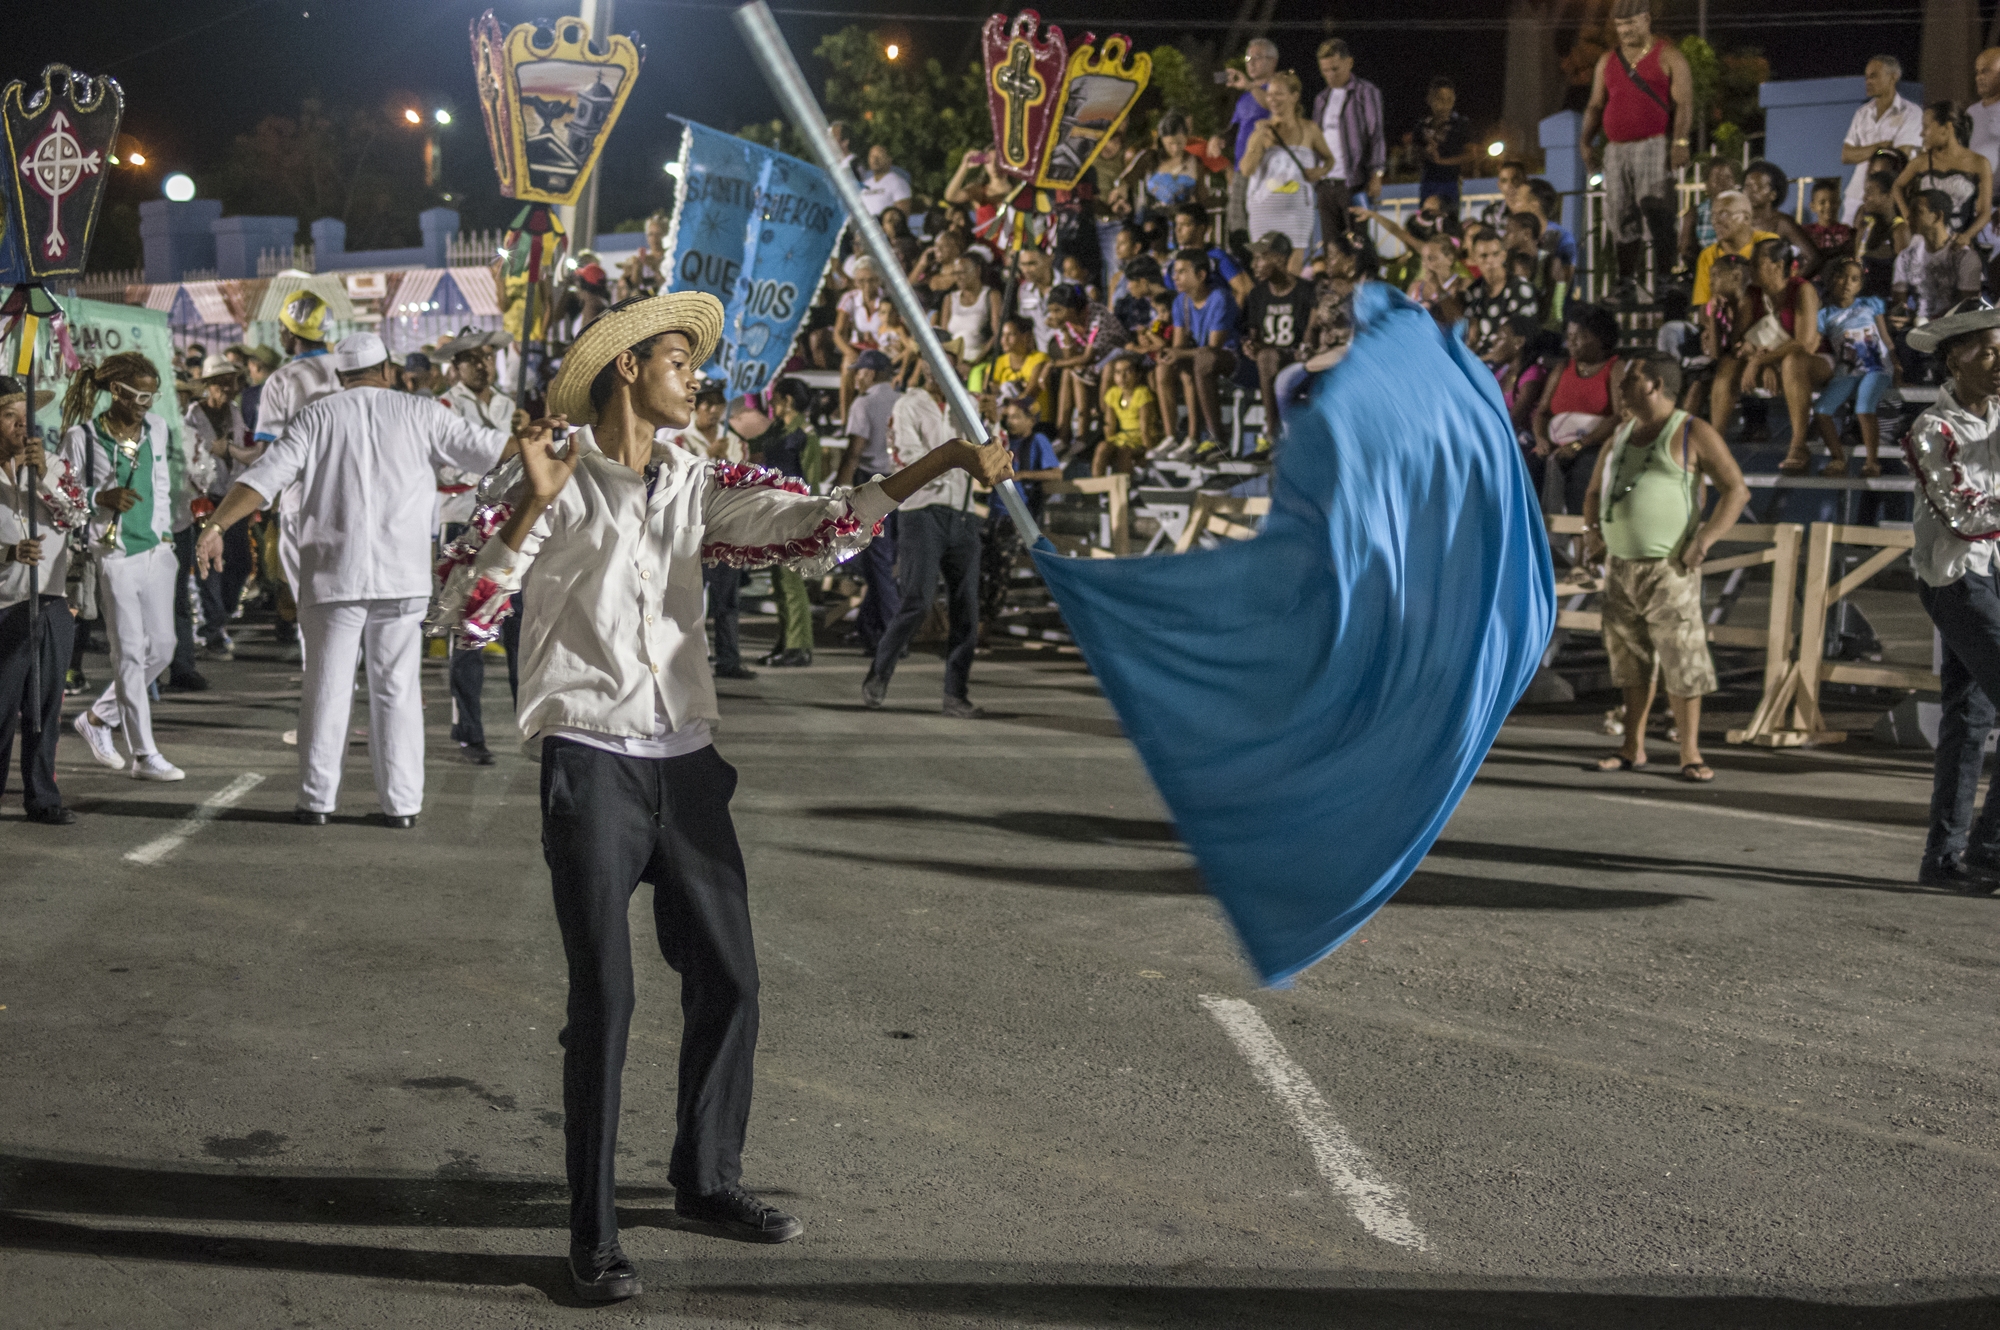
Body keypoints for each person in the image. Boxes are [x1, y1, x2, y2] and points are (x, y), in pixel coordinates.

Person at [427, 291, 1012, 1300]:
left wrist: (946, 463)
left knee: (732, 981)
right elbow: (463, 615)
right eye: (676, 359)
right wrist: (528, 500)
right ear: (626, 368)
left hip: (686, 760)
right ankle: (592, 1233)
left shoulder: (698, 475)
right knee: (604, 999)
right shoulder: (551, 472)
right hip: (591, 757)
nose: (695, 375)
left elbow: (818, 528)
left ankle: (704, 1180)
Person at [195, 332, 511, 825]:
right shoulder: (420, 412)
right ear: (386, 370)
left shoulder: (317, 416)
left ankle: (316, 801)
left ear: (340, 377)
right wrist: (550, 437)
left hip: (332, 576)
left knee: (326, 685)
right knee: (397, 689)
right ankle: (401, 805)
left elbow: (261, 480)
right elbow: (492, 450)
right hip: (401, 577)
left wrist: (216, 525)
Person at [1583, 352, 1750, 784]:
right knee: (1630, 660)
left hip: (1668, 569)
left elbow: (1735, 490)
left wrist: (1704, 541)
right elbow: (1593, 491)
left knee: (1682, 659)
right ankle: (1631, 746)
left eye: (1630, 379)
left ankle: (1689, 753)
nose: (1620, 386)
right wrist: (1591, 532)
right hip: (1620, 568)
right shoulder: (1619, 433)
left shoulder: (1692, 430)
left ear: (1655, 385)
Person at [59, 354, 187, 782]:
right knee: (129, 653)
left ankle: (97, 718)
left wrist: (165, 537)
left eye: (152, 395)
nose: (147, 404)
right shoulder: (83, 437)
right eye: (140, 395)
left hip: (155, 553)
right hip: (111, 557)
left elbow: (162, 487)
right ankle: (144, 755)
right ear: (116, 391)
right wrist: (99, 498)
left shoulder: (157, 429)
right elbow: (60, 495)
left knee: (163, 648)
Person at [863, 383, 986, 717]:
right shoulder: (908, 405)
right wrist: (956, 458)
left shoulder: (970, 403)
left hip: (964, 514)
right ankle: (880, 672)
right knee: (917, 600)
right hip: (922, 512)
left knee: (967, 609)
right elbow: (908, 460)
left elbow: (989, 454)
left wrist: (992, 421)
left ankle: (955, 693)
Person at [0, 376, 86, 824]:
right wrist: (9, 553)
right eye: (8, 416)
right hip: (4, 604)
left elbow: (76, 514)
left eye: (24, 416)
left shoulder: (53, 464)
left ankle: (42, 797)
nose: (19, 425)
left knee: (44, 707)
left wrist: (43, 478)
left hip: (50, 599)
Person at [436, 332, 521, 764]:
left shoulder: (509, 406)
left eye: (486, 356)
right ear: (455, 366)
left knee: (521, 629)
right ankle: (470, 732)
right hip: (463, 523)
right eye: (471, 359)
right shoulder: (444, 407)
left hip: (510, 526)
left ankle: (533, 724)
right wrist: (495, 456)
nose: (482, 364)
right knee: (469, 633)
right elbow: (447, 466)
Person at [1580, 0, 1693, 302]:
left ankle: (1666, 280)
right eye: (1620, 25)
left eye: (1631, 23)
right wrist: (1585, 141)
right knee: (1620, 216)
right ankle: (1625, 283)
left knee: (1657, 211)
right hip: (1615, 150)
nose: (1625, 30)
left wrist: (1680, 142)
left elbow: (1684, 103)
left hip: (1654, 144)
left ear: (1646, 20)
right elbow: (1594, 104)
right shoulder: (1607, 60)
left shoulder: (1668, 55)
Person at [257, 291, 344, 664]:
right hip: (349, 502)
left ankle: (321, 706)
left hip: (301, 505)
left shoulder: (282, 380)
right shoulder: (347, 373)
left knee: (310, 609)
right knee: (344, 607)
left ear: (289, 333)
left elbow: (270, 455)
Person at [677, 386, 757, 681]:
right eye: (707, 405)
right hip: (692, 529)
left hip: (727, 529)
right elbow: (680, 479)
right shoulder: (682, 439)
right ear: (697, 408)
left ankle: (728, 659)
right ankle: (685, 659)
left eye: (718, 406)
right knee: (689, 599)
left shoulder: (736, 443)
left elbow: (746, 482)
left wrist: (727, 462)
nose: (712, 411)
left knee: (727, 599)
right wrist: (708, 457)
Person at [183, 356, 258, 662]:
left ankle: (221, 614)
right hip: (205, 500)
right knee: (210, 569)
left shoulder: (236, 413)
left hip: (232, 498)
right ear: (208, 386)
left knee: (240, 562)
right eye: (221, 383)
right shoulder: (193, 416)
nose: (227, 388)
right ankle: (213, 630)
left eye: (231, 382)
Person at [1740, 237, 1832, 474]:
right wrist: (1761, 362)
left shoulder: (1803, 289)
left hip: (1814, 360)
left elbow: (1804, 342)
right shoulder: (1752, 294)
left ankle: (1799, 444)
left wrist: (1761, 360)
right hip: (1771, 362)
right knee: (1728, 367)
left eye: (1756, 263)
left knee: (1793, 362)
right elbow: (1741, 340)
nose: (1750, 268)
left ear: (1778, 265)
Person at [753, 379, 825, 668]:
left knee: (791, 583)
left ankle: (799, 647)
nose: (770, 402)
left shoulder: (806, 435)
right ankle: (786, 643)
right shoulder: (777, 430)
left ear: (787, 399)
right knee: (780, 583)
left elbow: (812, 480)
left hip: (795, 514)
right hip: (775, 511)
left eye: (775, 397)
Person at [836, 349, 902, 654]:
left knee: (877, 563)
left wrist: (840, 489)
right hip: (904, 484)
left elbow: (854, 450)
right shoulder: (902, 401)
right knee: (884, 563)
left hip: (874, 485)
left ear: (871, 373)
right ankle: (869, 627)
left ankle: (891, 635)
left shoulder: (864, 403)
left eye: (859, 372)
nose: (856, 377)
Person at [1531, 304, 1623, 516]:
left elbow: (1618, 416)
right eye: (1569, 335)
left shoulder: (1614, 368)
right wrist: (1540, 439)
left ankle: (1579, 534)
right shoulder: (1562, 369)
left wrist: (1581, 443)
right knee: (1532, 465)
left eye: (1578, 336)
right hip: (1555, 443)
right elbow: (1542, 412)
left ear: (1600, 339)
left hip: (1592, 445)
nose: (1570, 341)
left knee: (1584, 468)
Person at [1812, 257, 1899, 477]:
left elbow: (1886, 339)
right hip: (1846, 372)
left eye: (1854, 279)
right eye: (1841, 277)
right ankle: (1838, 458)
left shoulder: (1870, 305)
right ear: (1831, 280)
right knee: (1822, 410)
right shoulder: (1824, 315)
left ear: (1860, 285)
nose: (1846, 283)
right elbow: (1812, 344)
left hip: (1875, 367)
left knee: (1863, 407)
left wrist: (1897, 366)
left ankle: (1872, 462)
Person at [982, 397, 1062, 634]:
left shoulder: (1036, 441)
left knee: (998, 567)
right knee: (979, 564)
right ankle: (977, 622)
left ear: (1031, 420)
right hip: (994, 511)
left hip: (1018, 513)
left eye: (1017, 416)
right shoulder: (1003, 440)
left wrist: (1022, 474)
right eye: (1008, 417)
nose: (1010, 421)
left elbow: (1055, 474)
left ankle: (984, 625)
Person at [1153, 248, 1241, 461]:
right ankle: (1171, 436)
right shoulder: (1180, 302)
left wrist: (1179, 353)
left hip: (1227, 357)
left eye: (1182, 272)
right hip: (1200, 356)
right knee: (1163, 369)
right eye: (1174, 272)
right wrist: (1168, 354)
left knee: (1198, 365)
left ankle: (1198, 436)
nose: (1175, 277)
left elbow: (1214, 347)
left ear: (1201, 275)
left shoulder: (1220, 297)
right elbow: (1178, 345)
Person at [1240, 72, 1331, 272]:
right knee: (1264, 268)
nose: (1272, 99)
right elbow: (1246, 170)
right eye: (1270, 94)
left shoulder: (1310, 129)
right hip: (1263, 209)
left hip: (1296, 212)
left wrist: (1320, 171)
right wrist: (1257, 139)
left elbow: (1329, 159)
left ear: (1294, 96)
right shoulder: (1261, 131)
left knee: (1292, 270)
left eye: (1279, 94)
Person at [1242, 232, 1317, 451]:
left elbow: (1310, 338)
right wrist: (1250, 345)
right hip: (1267, 361)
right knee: (1266, 356)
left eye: (1261, 258)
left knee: (1268, 357)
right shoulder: (1257, 294)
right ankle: (1273, 430)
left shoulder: (1306, 291)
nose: (1254, 264)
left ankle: (1272, 430)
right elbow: (1254, 336)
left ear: (1280, 259)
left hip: (1296, 359)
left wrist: (1305, 350)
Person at [1310, 37, 1387, 248]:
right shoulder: (1321, 99)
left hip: (1354, 182)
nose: (1330, 76)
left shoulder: (1365, 92)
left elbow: (1376, 134)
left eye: (1335, 69)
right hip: (1326, 185)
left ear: (1349, 63)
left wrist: (1376, 174)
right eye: (1325, 70)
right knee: (1332, 245)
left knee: (1358, 242)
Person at [1891, 102, 1994, 250]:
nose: (1921, 133)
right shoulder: (1921, 161)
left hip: (1960, 244)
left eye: (1926, 127)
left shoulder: (1979, 163)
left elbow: (1984, 213)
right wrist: (1910, 219)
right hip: (1926, 244)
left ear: (1947, 128)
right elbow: (1897, 186)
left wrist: (1966, 236)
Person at [1841, 55, 1926, 225]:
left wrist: (1865, 152)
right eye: (1867, 77)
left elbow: (1899, 156)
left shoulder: (1911, 113)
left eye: (1874, 76)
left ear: (1893, 76)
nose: (1868, 81)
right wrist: (1880, 146)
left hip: (1889, 196)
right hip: (1857, 194)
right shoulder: (1862, 113)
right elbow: (1846, 155)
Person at [1215, 38, 1279, 247]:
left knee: (1263, 227)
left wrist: (1250, 85)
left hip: (1266, 169)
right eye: (1248, 58)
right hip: (1241, 170)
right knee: (1237, 227)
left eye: (1256, 58)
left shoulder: (1277, 89)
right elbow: (1235, 128)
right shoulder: (1244, 98)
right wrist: (1220, 139)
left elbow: (1271, 104)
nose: (1250, 63)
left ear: (1273, 61)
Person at [1893, 189, 1985, 329]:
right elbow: (1899, 305)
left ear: (1937, 216)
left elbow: (1966, 310)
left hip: (1953, 333)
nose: (1908, 217)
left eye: (1917, 211)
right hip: (1916, 332)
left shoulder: (1965, 257)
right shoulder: (1905, 257)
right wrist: (1902, 316)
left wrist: (1926, 322)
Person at [1461, 228, 1542, 362]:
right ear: (1474, 257)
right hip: (1481, 360)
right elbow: (1472, 337)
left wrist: (1478, 361)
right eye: (1484, 255)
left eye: (1495, 254)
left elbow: (1522, 340)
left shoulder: (1520, 289)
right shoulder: (1474, 291)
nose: (1490, 260)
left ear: (1503, 256)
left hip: (1509, 363)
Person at [1741, 160, 1825, 280]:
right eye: (1747, 186)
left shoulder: (1782, 223)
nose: (1751, 191)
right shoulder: (1740, 221)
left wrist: (1788, 287)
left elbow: (1814, 259)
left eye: (1759, 186)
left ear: (1773, 194)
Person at [1410, 76, 1478, 215]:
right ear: (1430, 99)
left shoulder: (1461, 124)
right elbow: (1414, 157)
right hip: (1428, 181)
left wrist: (1442, 161)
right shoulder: (1422, 125)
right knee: (1427, 219)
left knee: (1450, 220)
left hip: (1451, 181)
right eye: (1440, 99)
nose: (1445, 104)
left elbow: (1471, 155)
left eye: (1449, 99)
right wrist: (1426, 152)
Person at [832, 256, 888, 420]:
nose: (867, 286)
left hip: (880, 348)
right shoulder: (850, 298)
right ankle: (846, 417)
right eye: (861, 281)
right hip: (859, 347)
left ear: (878, 280)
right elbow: (838, 333)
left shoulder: (885, 298)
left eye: (871, 280)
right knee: (848, 365)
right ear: (856, 282)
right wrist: (849, 352)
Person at [1164, 203, 1251, 301]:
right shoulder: (1174, 264)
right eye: (1176, 225)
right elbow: (1169, 298)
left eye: (1184, 225)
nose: (1178, 230)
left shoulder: (1216, 257)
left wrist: (1230, 314)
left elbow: (1245, 289)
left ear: (1201, 228)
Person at [1094, 353, 1158, 475]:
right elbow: (1109, 426)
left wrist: (1147, 454)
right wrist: (1109, 448)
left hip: (1142, 437)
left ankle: (1125, 488)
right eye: (1118, 372)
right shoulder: (1113, 393)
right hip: (1123, 438)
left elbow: (1145, 428)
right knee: (1102, 447)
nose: (1122, 377)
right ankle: (1095, 491)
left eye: (1127, 372)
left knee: (1124, 452)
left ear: (1137, 375)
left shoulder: (1142, 393)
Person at [1143, 110, 1211, 219]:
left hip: (1184, 219)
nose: (1175, 149)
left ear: (1186, 138)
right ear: (1161, 141)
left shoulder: (1195, 162)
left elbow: (1202, 196)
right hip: (1153, 221)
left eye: (1179, 143)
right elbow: (1126, 180)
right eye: (1170, 144)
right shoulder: (1149, 158)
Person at [1676, 158, 1739, 271]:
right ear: (1707, 185)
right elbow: (1685, 250)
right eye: (1717, 178)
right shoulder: (1696, 213)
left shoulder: (1744, 212)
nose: (1723, 183)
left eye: (1728, 177)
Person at [1802, 178, 1855, 258]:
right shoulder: (1806, 233)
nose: (1828, 206)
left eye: (1833, 202)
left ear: (1839, 204)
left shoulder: (1846, 232)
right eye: (1822, 202)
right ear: (1812, 206)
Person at [856, 143, 912, 219]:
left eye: (880, 156)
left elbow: (902, 216)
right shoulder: (864, 184)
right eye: (872, 156)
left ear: (889, 159)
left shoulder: (898, 183)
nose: (875, 160)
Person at [1971, 48, 2000, 179]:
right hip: (1973, 193)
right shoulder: (1971, 112)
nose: (1979, 77)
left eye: (1986, 71)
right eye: (1977, 72)